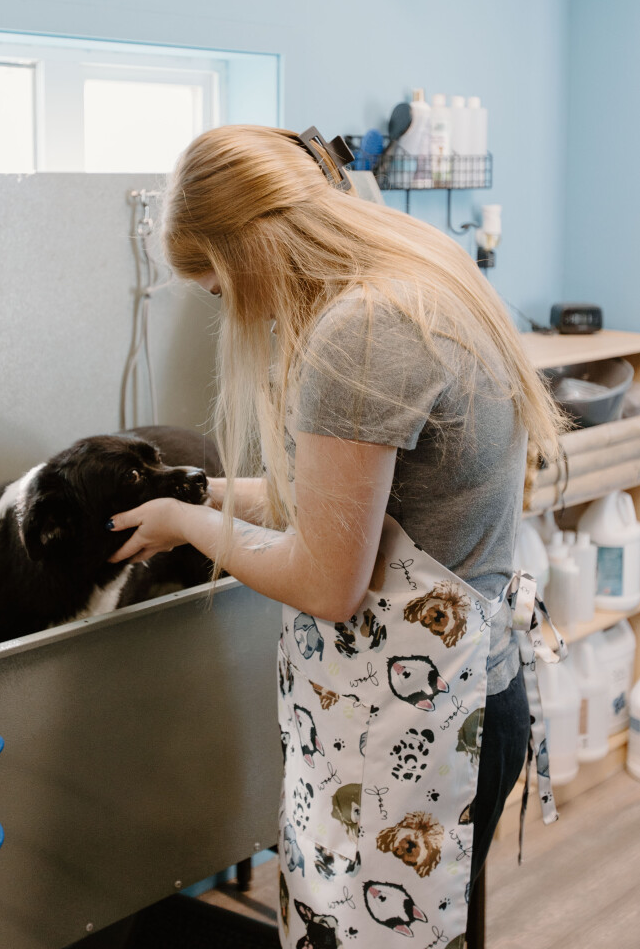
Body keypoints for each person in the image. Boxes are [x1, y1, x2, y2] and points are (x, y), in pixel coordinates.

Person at [106, 125, 565, 947]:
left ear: (246, 252)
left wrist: (187, 525)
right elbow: (340, 506)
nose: (229, 310)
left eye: (216, 289)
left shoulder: (360, 334)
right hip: (449, 699)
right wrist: (201, 492)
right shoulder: (419, 274)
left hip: (419, 725)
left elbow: (326, 579)